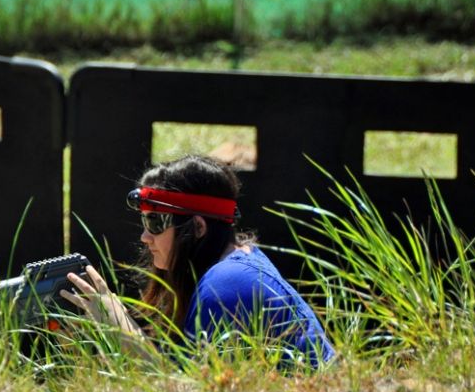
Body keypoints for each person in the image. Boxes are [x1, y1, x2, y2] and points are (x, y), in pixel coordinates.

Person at [59, 155, 335, 368]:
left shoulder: (228, 282)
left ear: (199, 228)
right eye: (144, 220)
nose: (144, 236)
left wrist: (117, 323)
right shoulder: (238, 261)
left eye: (155, 222)